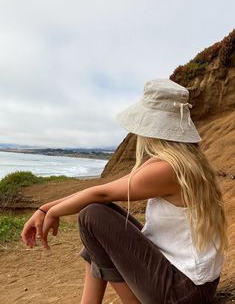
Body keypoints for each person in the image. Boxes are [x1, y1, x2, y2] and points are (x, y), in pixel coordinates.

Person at [21, 78, 228, 304]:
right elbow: (101, 191)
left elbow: (100, 195)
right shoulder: (183, 163)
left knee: (93, 216)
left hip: (181, 292)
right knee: (103, 218)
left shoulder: (168, 169)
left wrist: (52, 212)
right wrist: (45, 208)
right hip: (191, 284)